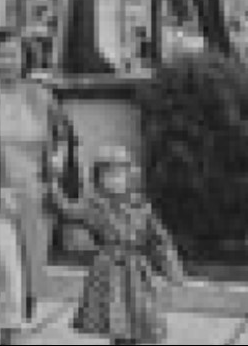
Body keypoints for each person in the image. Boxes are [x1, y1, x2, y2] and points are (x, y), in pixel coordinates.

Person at [0, 29, 74, 344]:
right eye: (0, 54)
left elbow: (62, 135)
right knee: (9, 271)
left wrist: (57, 164)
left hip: (37, 194)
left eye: (13, 54)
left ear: (25, 58)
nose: (7, 61)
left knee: (32, 276)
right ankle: (11, 333)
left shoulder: (42, 96)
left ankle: (16, 327)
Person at [47, 145, 185, 346]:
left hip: (137, 272)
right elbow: (67, 209)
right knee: (118, 320)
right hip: (110, 273)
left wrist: (171, 268)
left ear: (130, 177)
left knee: (144, 316)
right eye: (107, 175)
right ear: (98, 179)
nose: (114, 180)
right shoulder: (94, 206)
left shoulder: (141, 208)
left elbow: (159, 239)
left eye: (119, 174)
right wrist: (53, 181)